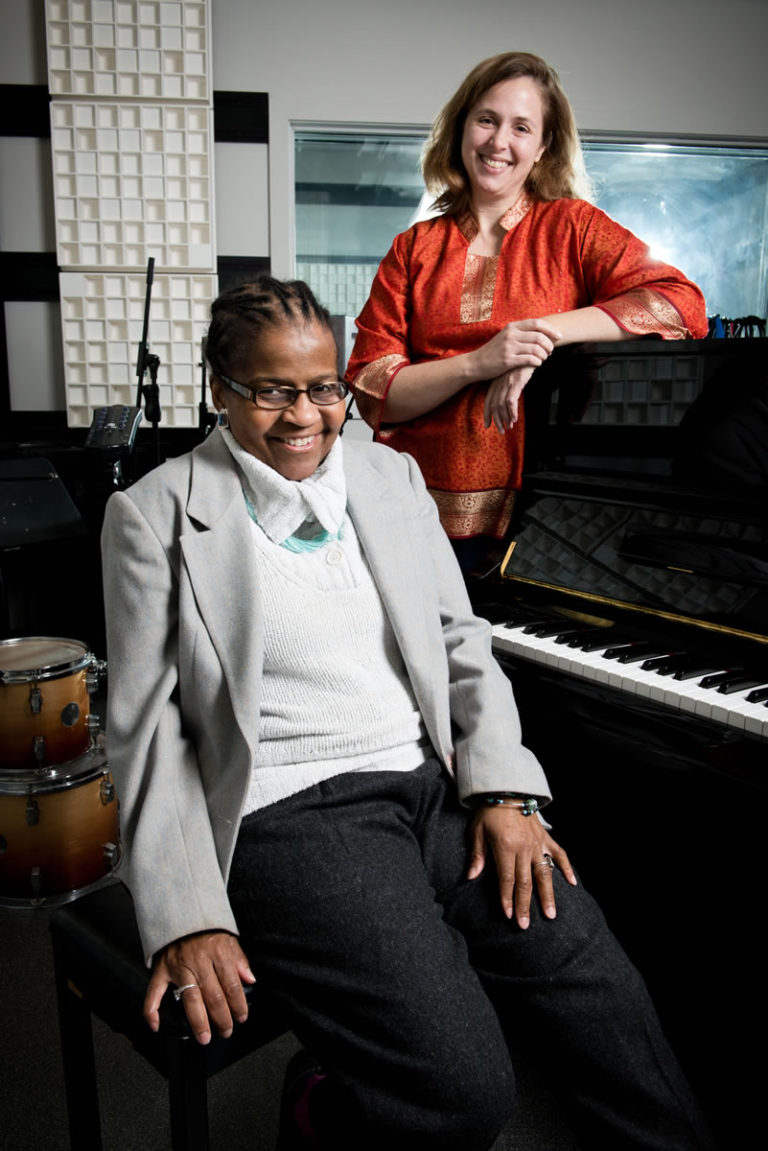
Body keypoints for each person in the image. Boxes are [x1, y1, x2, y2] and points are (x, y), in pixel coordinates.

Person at [101, 276, 714, 1151]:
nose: (305, 415)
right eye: (272, 391)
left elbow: (460, 638)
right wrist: (187, 910)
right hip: (289, 811)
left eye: (324, 388)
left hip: (432, 786)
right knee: (461, 1089)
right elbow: (146, 727)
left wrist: (503, 791)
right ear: (218, 389)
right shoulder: (152, 513)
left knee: (598, 990)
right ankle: (321, 1105)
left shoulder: (389, 474)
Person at [346, 51, 709, 571]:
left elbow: (680, 304)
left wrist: (538, 336)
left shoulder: (573, 228)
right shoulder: (413, 249)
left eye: (521, 127)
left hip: (544, 516)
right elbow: (375, 394)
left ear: (542, 148)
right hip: (414, 514)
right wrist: (481, 362)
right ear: (461, 128)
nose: (499, 142)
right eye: (486, 120)